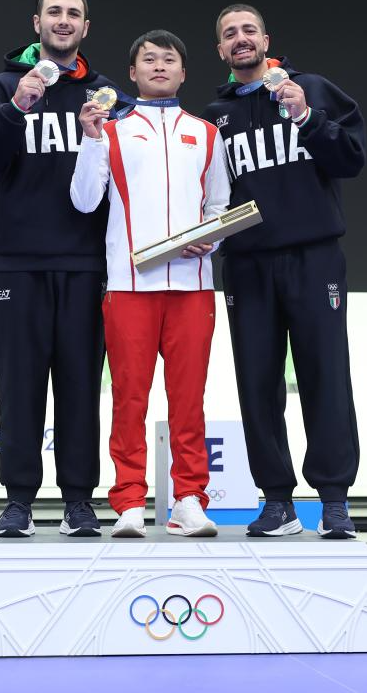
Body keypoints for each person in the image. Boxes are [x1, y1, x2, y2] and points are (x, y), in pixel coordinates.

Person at [0, 0, 118, 538]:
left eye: (74, 13)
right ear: (37, 22)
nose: (64, 21)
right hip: (18, 266)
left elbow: (127, 179)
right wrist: (15, 108)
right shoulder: (4, 87)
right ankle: (19, 499)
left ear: (86, 28)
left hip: (85, 266)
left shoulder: (104, 97)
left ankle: (78, 500)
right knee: (19, 385)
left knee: (79, 387)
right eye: (55, 12)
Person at [204, 4, 365, 539]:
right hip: (247, 265)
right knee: (256, 383)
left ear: (266, 39)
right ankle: (277, 501)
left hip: (314, 257)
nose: (240, 39)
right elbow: (208, 194)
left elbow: (352, 158)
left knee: (325, 374)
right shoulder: (214, 117)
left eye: (248, 30)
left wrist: (306, 117)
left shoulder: (310, 88)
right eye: (230, 34)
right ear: (221, 51)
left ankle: (335, 500)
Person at [70, 30, 230, 538]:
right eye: (148, 60)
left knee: (189, 400)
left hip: (193, 286)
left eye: (169, 60)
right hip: (128, 285)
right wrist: (91, 139)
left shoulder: (206, 133)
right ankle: (130, 501)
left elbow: (219, 207)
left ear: (184, 72)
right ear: (132, 73)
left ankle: (188, 499)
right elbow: (83, 200)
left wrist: (214, 240)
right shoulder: (111, 131)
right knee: (129, 398)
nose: (159, 66)